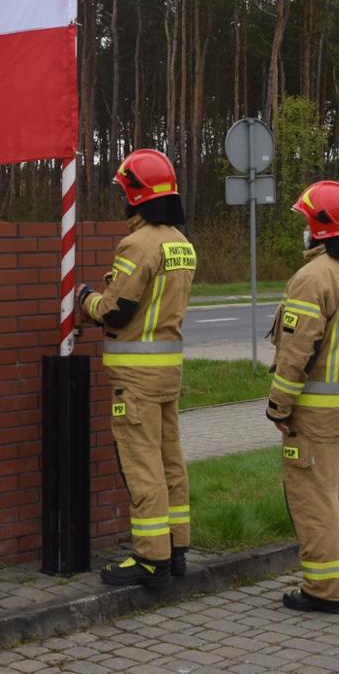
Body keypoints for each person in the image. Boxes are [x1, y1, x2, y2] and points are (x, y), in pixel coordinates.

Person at [76, 149, 197, 587]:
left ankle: (151, 558)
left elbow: (115, 311)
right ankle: (176, 546)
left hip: (136, 380)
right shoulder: (182, 244)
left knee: (141, 463)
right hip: (168, 374)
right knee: (170, 462)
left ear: (135, 195)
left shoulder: (137, 244)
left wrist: (86, 298)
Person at [266, 180, 339, 614]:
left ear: (320, 226)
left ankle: (324, 590)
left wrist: (278, 405)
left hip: (314, 414)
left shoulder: (313, 277)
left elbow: (297, 352)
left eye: (305, 220)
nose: (302, 229)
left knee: (315, 501)